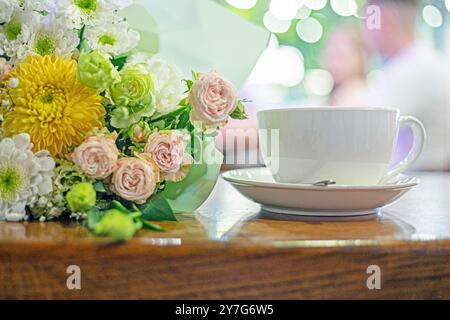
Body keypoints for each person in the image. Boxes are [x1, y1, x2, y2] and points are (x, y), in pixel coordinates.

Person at [364, 0, 450, 170]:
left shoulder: (412, 70)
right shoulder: (422, 61)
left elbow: (367, 131)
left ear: (384, 21)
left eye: (367, 21)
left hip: (423, 182)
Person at [324, 25, 368, 106]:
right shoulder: (338, 94)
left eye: (340, 56)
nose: (334, 65)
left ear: (359, 57)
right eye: (331, 56)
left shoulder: (359, 95)